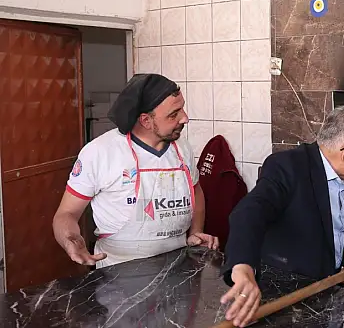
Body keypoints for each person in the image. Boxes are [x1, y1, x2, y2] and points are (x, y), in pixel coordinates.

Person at [219, 105, 344, 327]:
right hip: (287, 295)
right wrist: (242, 266)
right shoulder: (287, 167)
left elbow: (336, 227)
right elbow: (249, 212)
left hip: (326, 292)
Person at [52, 73, 219, 269]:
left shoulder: (181, 147)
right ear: (146, 120)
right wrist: (70, 239)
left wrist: (195, 233)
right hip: (119, 270)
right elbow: (66, 213)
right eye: (174, 114)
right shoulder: (100, 152)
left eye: (182, 108)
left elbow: (195, 190)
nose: (185, 118)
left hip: (178, 264)